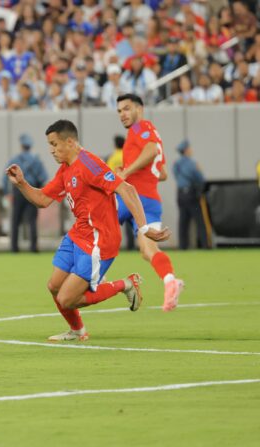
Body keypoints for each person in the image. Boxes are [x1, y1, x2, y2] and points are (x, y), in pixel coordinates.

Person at [6, 119, 170, 341]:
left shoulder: (89, 164)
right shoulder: (66, 169)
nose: (51, 150)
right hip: (78, 234)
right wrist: (22, 184)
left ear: (70, 142)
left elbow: (127, 189)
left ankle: (125, 283)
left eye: (55, 144)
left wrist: (144, 228)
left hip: (99, 241)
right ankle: (78, 331)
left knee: (67, 299)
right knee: (54, 286)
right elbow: (43, 199)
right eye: (50, 145)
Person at [116, 93, 185, 312]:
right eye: (119, 111)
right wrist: (135, 170)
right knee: (147, 250)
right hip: (151, 200)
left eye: (126, 109)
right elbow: (162, 173)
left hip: (132, 198)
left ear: (139, 108)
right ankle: (170, 280)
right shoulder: (150, 133)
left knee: (92, 230)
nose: (122, 114)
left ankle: (87, 285)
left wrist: (126, 171)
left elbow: (151, 150)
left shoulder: (141, 127)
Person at [3, 133, 47, 253]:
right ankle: (33, 247)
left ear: (21, 146)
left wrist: (7, 192)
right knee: (32, 220)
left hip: (18, 192)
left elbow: (5, 175)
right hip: (32, 190)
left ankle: (14, 247)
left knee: (15, 220)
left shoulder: (15, 160)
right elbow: (44, 178)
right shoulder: (36, 160)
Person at [173, 140, 207, 249]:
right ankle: (205, 245)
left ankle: (183, 246)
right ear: (186, 150)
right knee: (199, 221)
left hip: (180, 194)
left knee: (183, 221)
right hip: (191, 194)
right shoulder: (192, 163)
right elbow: (199, 178)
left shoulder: (176, 163)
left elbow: (176, 175)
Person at [107, 135, 136, 251]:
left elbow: (108, 175)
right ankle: (133, 245)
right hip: (130, 191)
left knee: (113, 221)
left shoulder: (113, 158)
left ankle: (111, 247)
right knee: (133, 219)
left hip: (117, 194)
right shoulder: (129, 156)